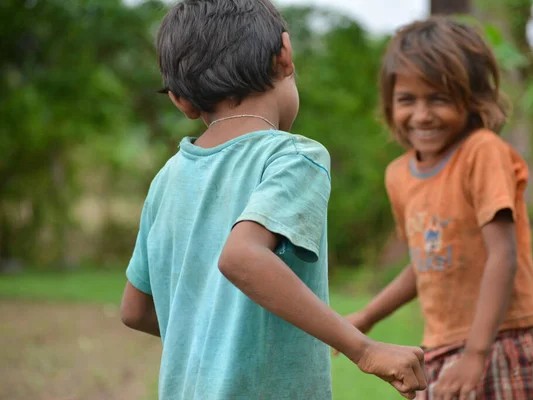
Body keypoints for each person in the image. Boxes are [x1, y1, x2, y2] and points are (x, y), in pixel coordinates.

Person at [119, 1, 427, 399]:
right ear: (284, 55)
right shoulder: (294, 158)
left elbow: (135, 309)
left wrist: (209, 334)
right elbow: (242, 256)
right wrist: (364, 349)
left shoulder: (168, 177)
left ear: (180, 99)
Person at [338, 16, 533, 399]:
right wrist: (367, 317)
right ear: (390, 103)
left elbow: (503, 254)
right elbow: (426, 262)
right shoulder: (398, 175)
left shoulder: (481, 152)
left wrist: (477, 352)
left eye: (439, 98)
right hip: (438, 346)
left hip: (499, 339)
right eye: (407, 100)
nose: (422, 115)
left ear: (472, 100)